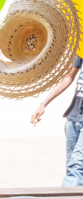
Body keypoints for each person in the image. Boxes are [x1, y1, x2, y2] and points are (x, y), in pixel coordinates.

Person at [31, 58, 83, 186]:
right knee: (73, 168)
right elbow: (68, 78)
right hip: (74, 116)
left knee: (76, 167)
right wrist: (44, 103)